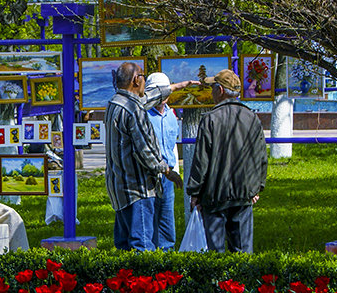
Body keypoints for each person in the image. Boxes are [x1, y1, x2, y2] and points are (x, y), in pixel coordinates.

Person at [103, 62, 184, 251]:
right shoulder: (133, 109)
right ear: (135, 80)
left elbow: (149, 97)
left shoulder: (114, 103)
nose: (144, 80)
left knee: (124, 245)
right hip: (137, 189)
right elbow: (145, 150)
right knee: (143, 245)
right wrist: (167, 171)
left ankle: (124, 280)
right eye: (142, 76)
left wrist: (179, 85)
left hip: (119, 187)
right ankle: (144, 280)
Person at [186, 68, 268, 253]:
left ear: (220, 91)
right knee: (243, 253)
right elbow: (261, 157)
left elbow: (201, 160)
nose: (212, 91)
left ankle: (219, 282)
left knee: (216, 254)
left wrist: (195, 192)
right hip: (243, 195)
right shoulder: (252, 118)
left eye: (213, 87)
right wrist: (257, 187)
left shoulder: (210, 119)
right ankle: (243, 282)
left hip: (214, 196)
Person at [144, 72, 183, 249]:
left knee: (167, 222)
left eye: (165, 92)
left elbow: (172, 144)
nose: (162, 97)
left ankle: (167, 259)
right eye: (156, 91)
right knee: (148, 221)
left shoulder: (170, 116)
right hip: (148, 176)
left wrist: (176, 170)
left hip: (168, 177)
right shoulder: (143, 115)